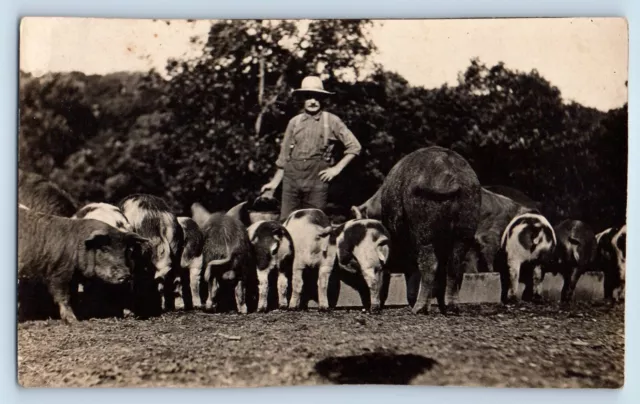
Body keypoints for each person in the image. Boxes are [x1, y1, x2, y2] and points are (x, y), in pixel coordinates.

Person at [261, 76, 362, 220]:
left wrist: (336, 169)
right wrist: (274, 183)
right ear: (303, 98)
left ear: (322, 99)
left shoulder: (331, 120)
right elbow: (284, 159)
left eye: (317, 97)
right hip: (292, 180)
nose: (313, 101)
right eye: (308, 97)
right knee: (286, 223)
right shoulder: (294, 122)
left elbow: (355, 147)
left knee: (313, 223)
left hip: (317, 180)